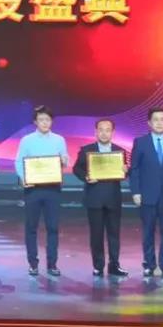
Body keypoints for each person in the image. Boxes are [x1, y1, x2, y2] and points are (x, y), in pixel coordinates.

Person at [129, 107, 163, 278]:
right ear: (149, 123)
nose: (159, 123)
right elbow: (135, 169)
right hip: (147, 195)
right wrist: (135, 192)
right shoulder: (140, 142)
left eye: (162, 119)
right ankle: (149, 265)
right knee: (148, 232)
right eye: (156, 120)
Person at [14, 105, 69, 277]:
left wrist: (64, 160)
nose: (45, 123)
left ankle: (52, 264)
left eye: (47, 120)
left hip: (53, 189)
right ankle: (33, 264)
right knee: (31, 227)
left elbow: (65, 160)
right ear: (35, 122)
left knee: (53, 227)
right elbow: (19, 162)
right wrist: (24, 178)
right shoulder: (27, 140)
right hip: (33, 189)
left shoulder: (59, 140)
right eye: (41, 120)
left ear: (51, 121)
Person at [72, 118, 129, 278]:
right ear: (95, 132)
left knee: (114, 234)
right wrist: (86, 177)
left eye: (107, 130)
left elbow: (123, 173)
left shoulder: (120, 151)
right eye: (101, 130)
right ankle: (98, 266)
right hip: (94, 198)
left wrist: (126, 171)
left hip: (113, 198)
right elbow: (77, 169)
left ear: (113, 132)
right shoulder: (86, 150)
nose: (104, 133)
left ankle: (114, 265)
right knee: (96, 235)